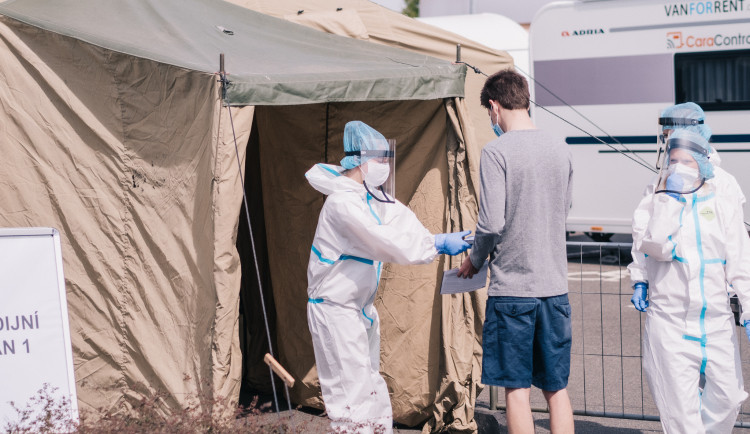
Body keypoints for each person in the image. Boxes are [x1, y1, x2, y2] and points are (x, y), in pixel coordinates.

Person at [305, 120, 471, 433]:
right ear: (359, 160)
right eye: (380, 159)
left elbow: (400, 222)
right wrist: (434, 244)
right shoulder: (341, 204)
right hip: (334, 310)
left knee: (370, 385)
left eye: (387, 158)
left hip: (359, 309)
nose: (386, 166)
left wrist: (439, 238)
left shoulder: (371, 197)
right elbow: (385, 240)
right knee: (349, 395)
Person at [456, 69, 575, 433]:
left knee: (517, 390)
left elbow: (491, 224)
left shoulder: (495, 151)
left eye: (489, 113)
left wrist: (473, 259)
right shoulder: (560, 147)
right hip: (555, 290)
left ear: (494, 105)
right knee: (556, 389)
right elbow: (564, 208)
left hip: (513, 293)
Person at [629, 127, 750, 433]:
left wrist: (748, 307)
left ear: (704, 163)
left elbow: (740, 260)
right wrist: (671, 199)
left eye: (688, 161)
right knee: (680, 415)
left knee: (728, 398)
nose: (679, 167)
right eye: (674, 160)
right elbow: (653, 245)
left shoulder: (720, 198)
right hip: (670, 322)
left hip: (716, 320)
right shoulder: (657, 197)